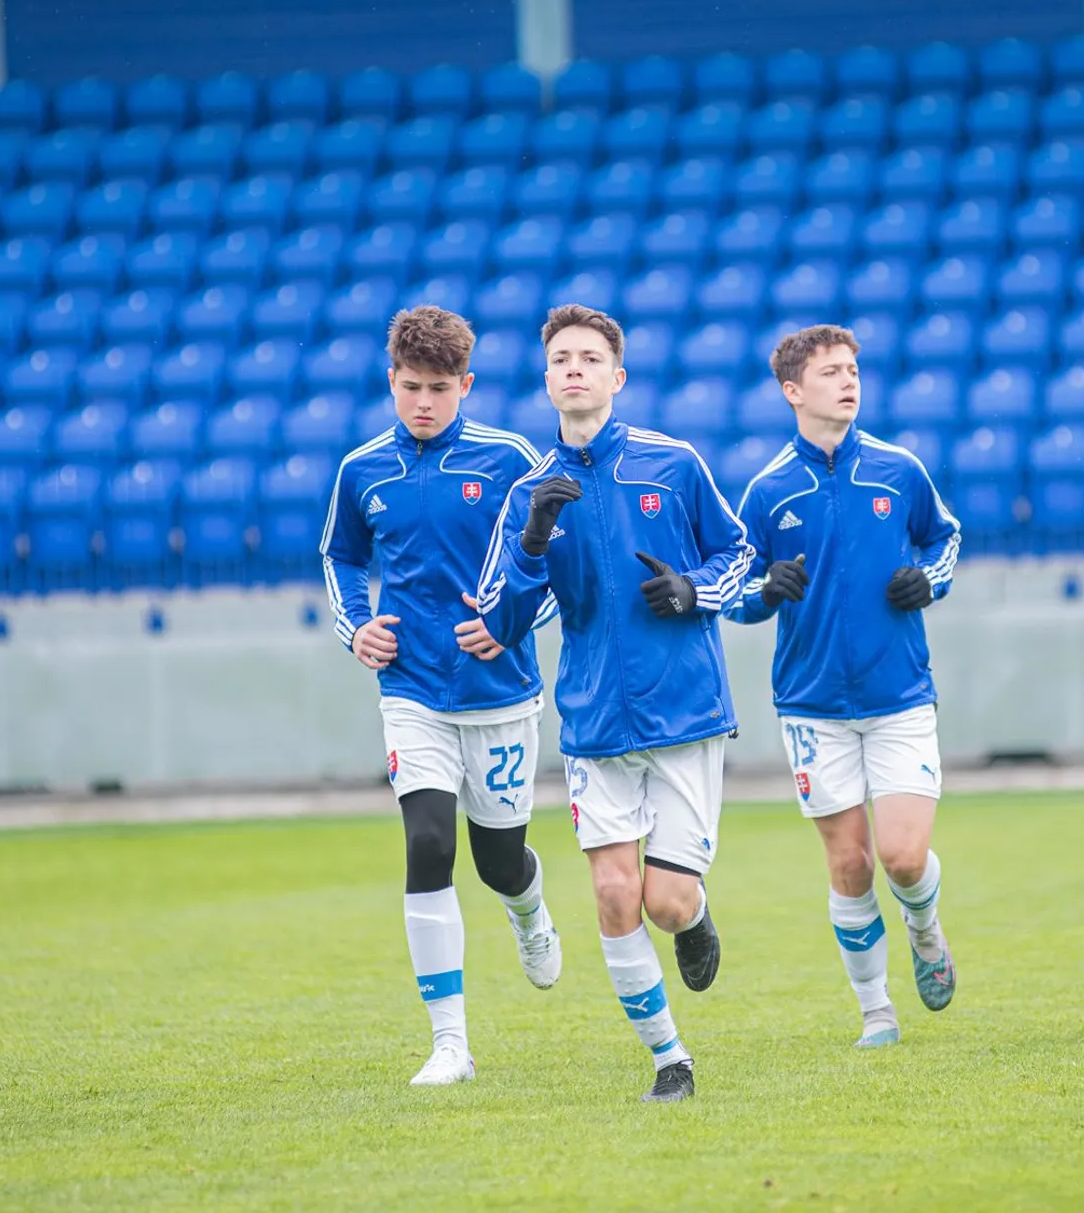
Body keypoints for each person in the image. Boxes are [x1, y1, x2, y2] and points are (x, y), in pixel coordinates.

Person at [477, 304, 753, 1103]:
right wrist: (533, 539)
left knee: (665, 901)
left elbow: (738, 553)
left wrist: (693, 588)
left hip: (685, 712)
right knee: (610, 891)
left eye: (590, 358)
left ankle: (693, 916)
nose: (575, 369)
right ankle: (671, 1060)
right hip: (594, 721)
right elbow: (499, 621)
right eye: (561, 358)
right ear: (546, 379)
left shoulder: (673, 463)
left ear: (617, 377)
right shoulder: (528, 493)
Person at [321, 306, 561, 1087]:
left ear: (467, 385)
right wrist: (357, 628)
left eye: (440, 388)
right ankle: (450, 1043)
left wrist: (508, 624)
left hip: (499, 694)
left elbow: (554, 568)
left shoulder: (510, 459)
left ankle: (529, 910)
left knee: (500, 863)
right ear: (391, 381)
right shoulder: (363, 470)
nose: (424, 402)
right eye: (411, 387)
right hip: (412, 690)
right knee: (428, 844)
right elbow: (340, 557)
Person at [723, 324, 961, 1049]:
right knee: (850, 862)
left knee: (904, 858)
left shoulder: (899, 470)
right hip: (813, 705)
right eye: (831, 372)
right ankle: (876, 1012)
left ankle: (925, 928)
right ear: (793, 391)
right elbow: (735, 589)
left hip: (899, 695)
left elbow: (945, 539)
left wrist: (929, 581)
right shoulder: (769, 491)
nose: (848, 381)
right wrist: (767, 590)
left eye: (853, 370)